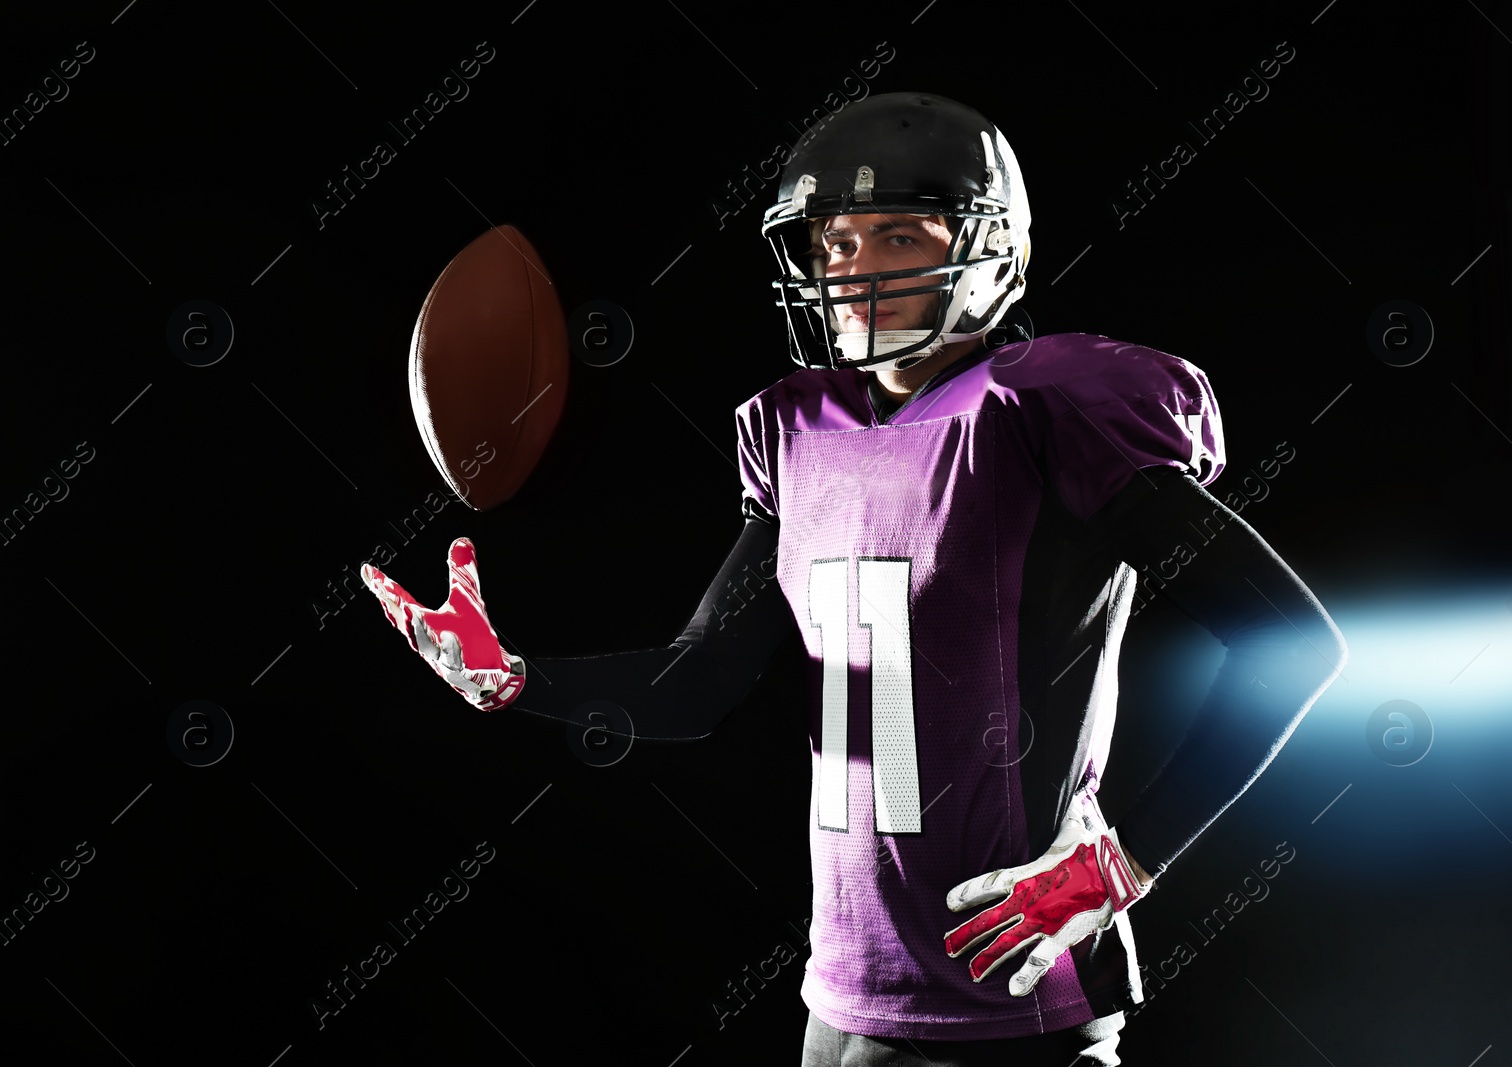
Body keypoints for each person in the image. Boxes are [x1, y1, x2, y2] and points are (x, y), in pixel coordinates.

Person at [362, 92, 1346, 1066]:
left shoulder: (1042, 410)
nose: (855, 272)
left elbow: (1292, 641)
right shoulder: (799, 434)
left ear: (991, 252)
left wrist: (1121, 862)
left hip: (1010, 995)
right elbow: (700, 676)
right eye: (833, 246)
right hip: (845, 989)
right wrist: (522, 677)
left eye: (900, 241)